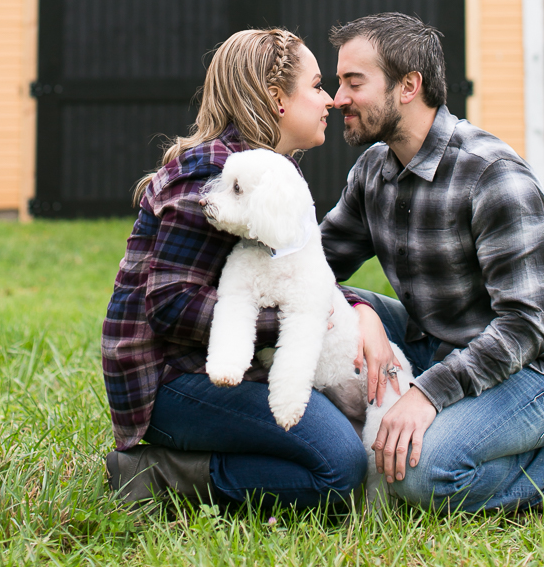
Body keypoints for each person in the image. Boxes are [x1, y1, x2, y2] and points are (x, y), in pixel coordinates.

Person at [320, 11, 544, 514]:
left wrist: (425, 396)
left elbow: (524, 327)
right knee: (319, 314)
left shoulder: (493, 177)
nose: (338, 98)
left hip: (538, 369)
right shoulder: (372, 172)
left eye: (353, 82)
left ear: (409, 86)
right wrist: (359, 311)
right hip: (437, 340)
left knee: (417, 473)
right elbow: (319, 267)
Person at [102, 28, 368, 509]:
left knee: (382, 312)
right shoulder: (214, 175)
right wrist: (288, 324)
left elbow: (298, 271)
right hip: (170, 382)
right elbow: (170, 305)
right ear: (276, 99)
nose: (329, 100)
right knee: (341, 468)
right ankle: (159, 477)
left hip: (225, 363)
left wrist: (354, 309)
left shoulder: (273, 169)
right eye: (316, 85)